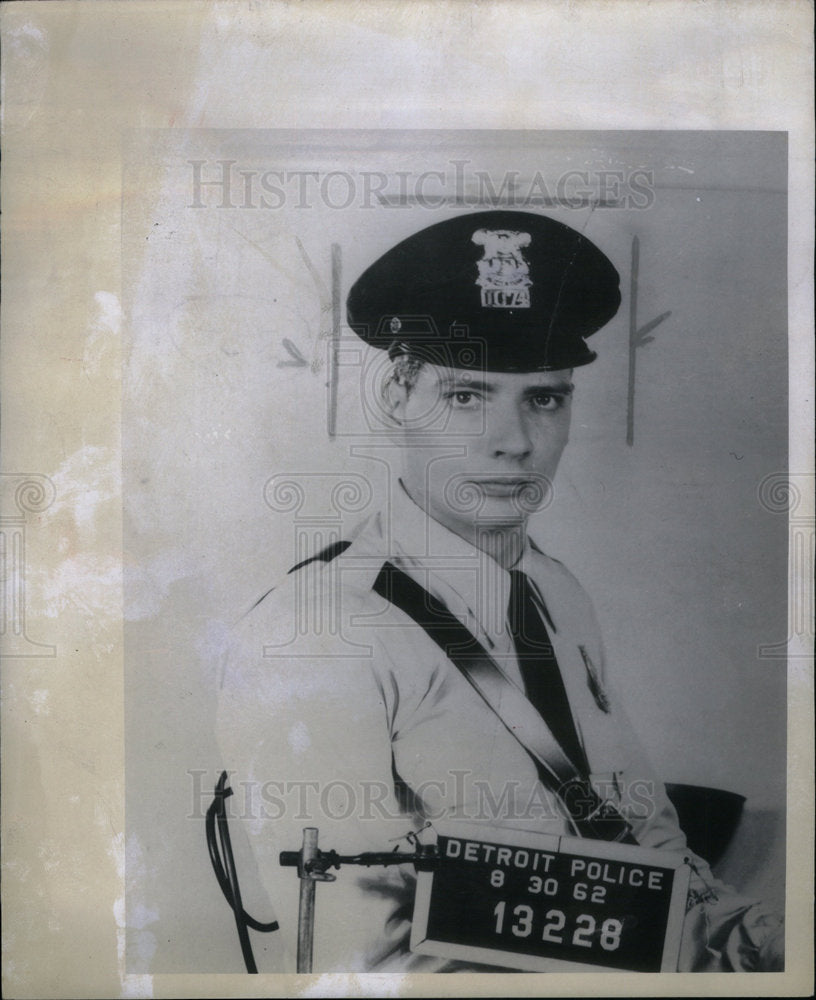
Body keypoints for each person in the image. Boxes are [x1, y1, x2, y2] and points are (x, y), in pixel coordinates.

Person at [216, 210, 784, 973]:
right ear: (397, 397)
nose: (513, 441)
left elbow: (648, 842)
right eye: (467, 396)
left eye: (543, 399)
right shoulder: (314, 635)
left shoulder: (554, 591)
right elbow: (368, 961)